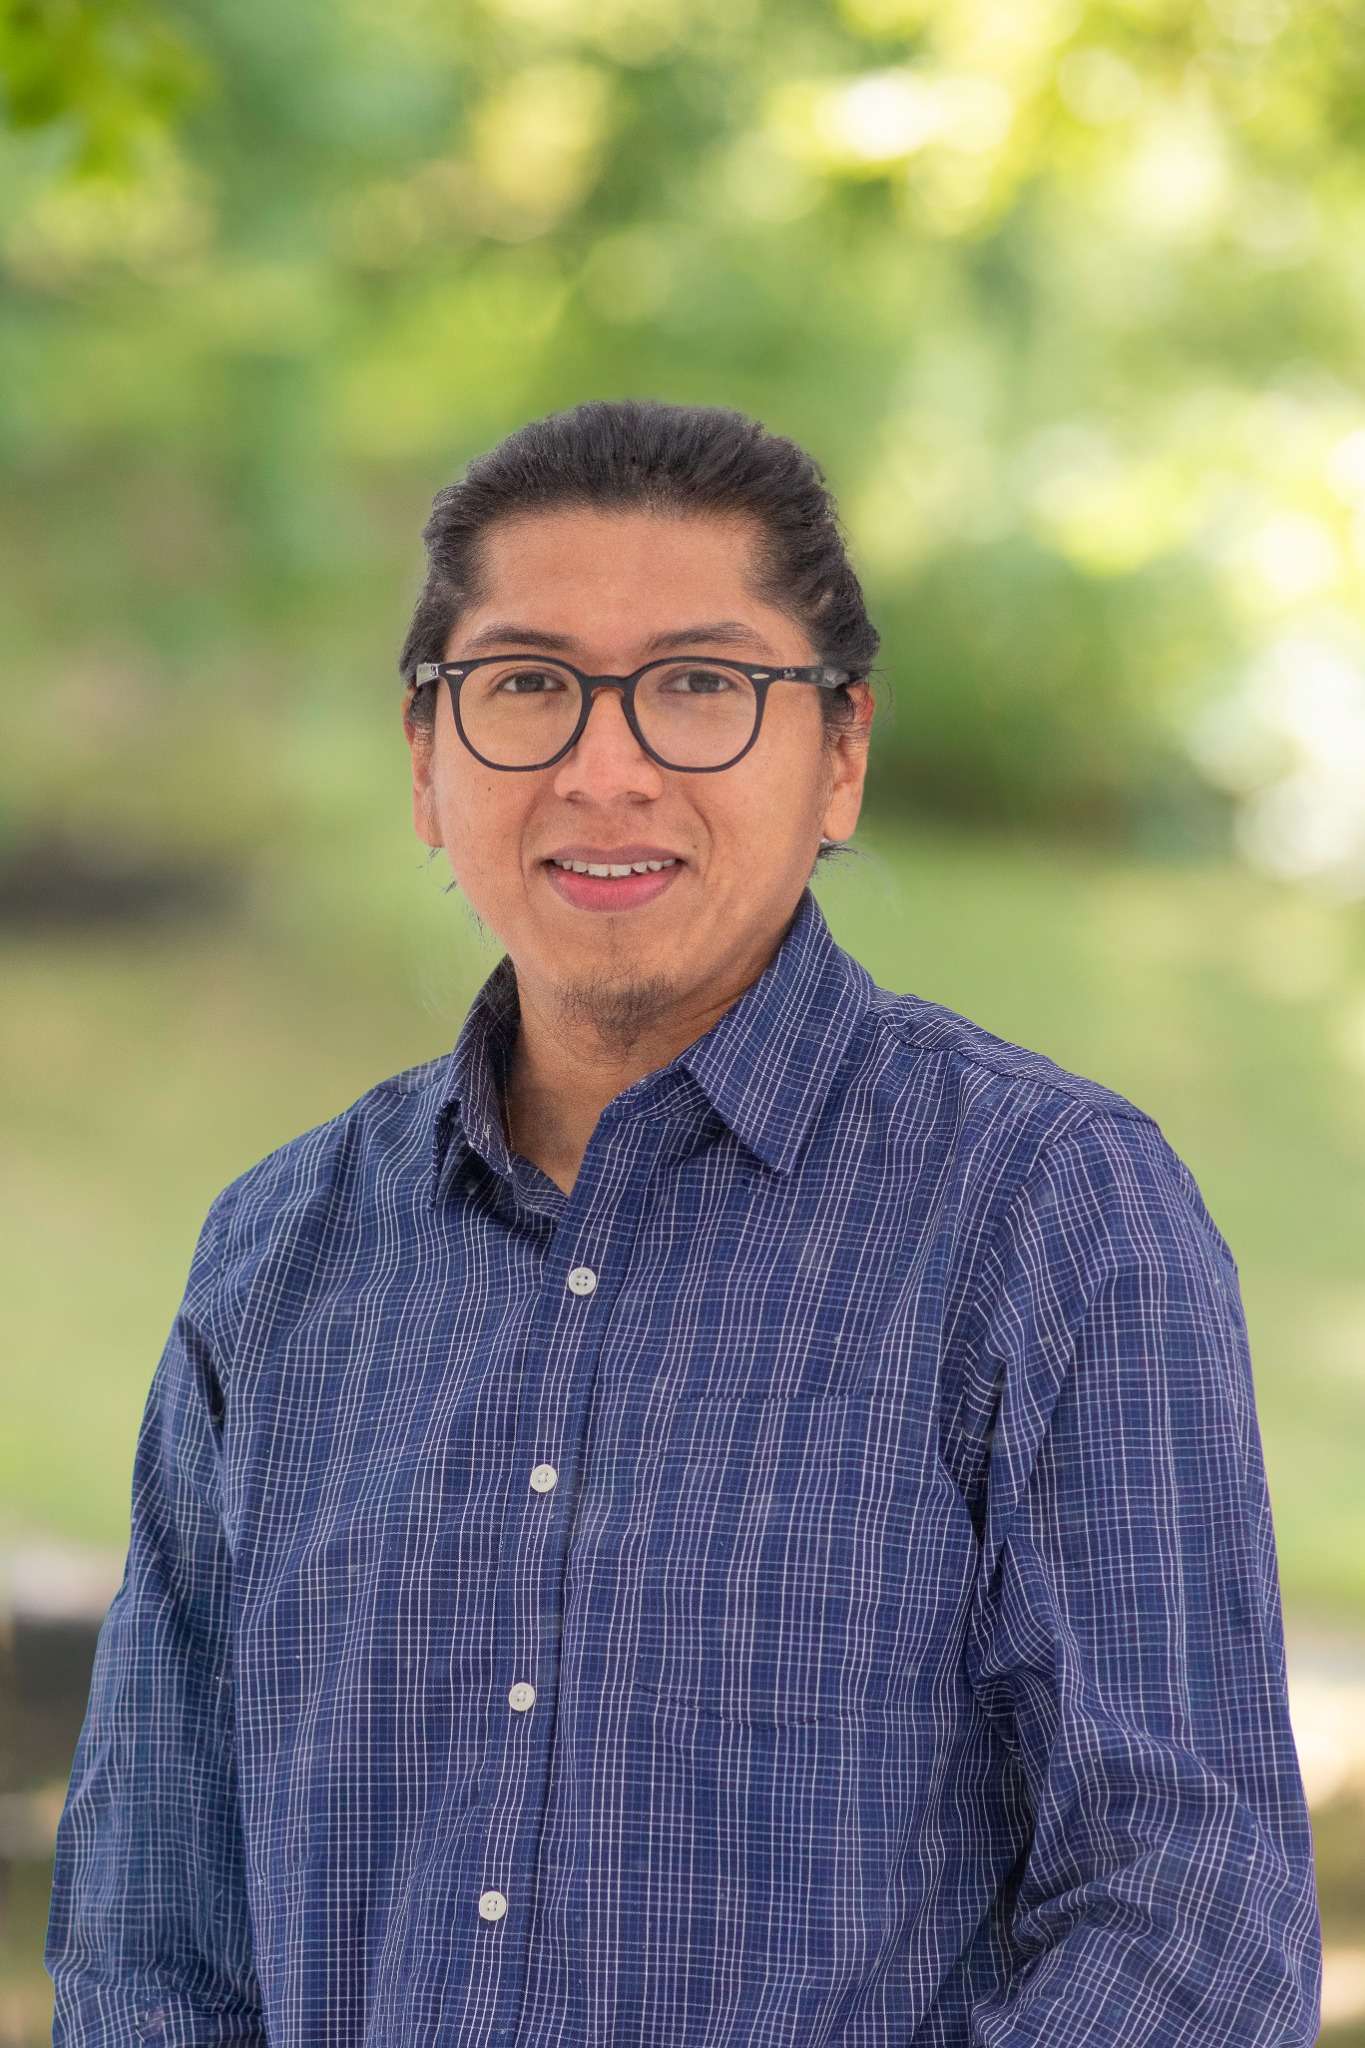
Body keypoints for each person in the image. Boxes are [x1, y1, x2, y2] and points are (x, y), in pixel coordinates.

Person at [46, 398, 1322, 2046]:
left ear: (840, 754)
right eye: (525, 688)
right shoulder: (279, 1255)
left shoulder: (1050, 1215)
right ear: (428, 764)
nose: (603, 767)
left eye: (699, 690)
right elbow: (153, 1930)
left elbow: (1192, 1921)